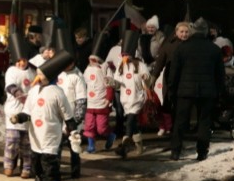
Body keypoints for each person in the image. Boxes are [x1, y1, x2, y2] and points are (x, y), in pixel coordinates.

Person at [17, 51, 78, 181]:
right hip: (36, 133)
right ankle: (39, 176)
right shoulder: (33, 91)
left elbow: (67, 112)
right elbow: (27, 110)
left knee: (49, 162)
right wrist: (19, 117)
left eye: (41, 74)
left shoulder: (58, 92)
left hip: (51, 133)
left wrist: (72, 127)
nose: (37, 77)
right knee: (36, 159)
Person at [168, 18, 225, 160]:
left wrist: (171, 90)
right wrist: (220, 92)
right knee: (204, 122)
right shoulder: (215, 49)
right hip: (207, 91)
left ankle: (176, 151)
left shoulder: (182, 48)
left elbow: (174, 72)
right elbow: (220, 74)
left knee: (180, 121)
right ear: (206, 32)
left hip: (185, 90)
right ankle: (202, 152)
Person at [111, 30, 149, 158]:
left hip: (137, 98)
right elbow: (117, 82)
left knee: (130, 121)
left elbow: (146, 76)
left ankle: (124, 147)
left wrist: (145, 76)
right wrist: (111, 82)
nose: (125, 58)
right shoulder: (121, 67)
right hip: (125, 99)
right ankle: (139, 145)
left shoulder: (140, 65)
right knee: (133, 123)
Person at [151, 21, 191, 137]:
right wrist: (153, 79)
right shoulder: (168, 45)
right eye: (182, 32)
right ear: (176, 32)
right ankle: (173, 127)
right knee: (171, 104)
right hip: (171, 80)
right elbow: (159, 64)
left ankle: (183, 128)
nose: (184, 34)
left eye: (186, 32)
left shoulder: (192, 45)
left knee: (185, 105)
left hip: (187, 80)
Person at [3, 34, 35, 178]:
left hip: (28, 113)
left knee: (27, 144)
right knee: (12, 141)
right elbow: (10, 86)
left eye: (24, 60)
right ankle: (9, 164)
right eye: (19, 60)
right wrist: (20, 95)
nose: (21, 63)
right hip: (13, 112)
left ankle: (26, 168)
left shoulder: (33, 72)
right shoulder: (11, 71)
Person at [82, 39, 117, 153]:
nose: (91, 61)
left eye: (93, 59)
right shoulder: (87, 70)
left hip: (102, 103)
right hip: (90, 103)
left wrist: (108, 98)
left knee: (101, 128)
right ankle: (91, 146)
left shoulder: (105, 69)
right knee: (89, 126)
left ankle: (110, 135)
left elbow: (109, 85)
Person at [57, 55, 87, 178]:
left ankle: (75, 171)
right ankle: (55, 170)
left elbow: (82, 101)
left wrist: (74, 122)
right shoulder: (58, 73)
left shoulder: (78, 77)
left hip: (72, 119)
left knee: (73, 147)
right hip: (58, 118)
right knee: (56, 147)